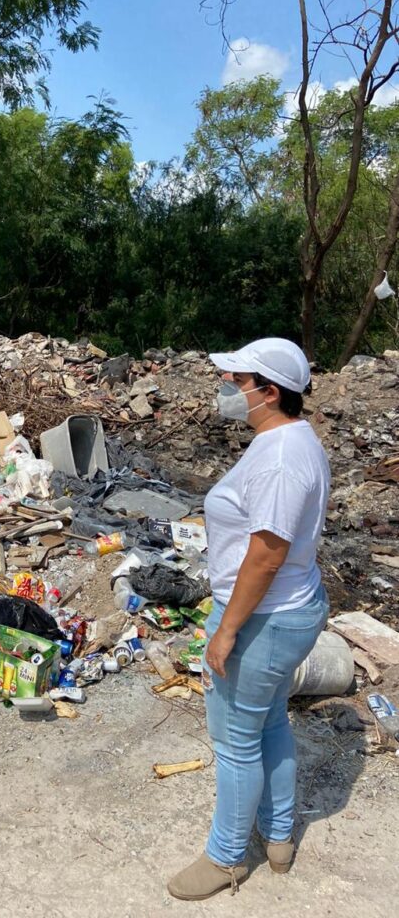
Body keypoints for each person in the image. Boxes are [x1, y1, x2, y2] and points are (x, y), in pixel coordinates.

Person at [167, 337, 331, 901]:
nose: (228, 389)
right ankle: (279, 837)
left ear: (270, 391)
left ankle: (226, 858)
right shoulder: (290, 439)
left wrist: (227, 629)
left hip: (264, 618)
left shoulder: (282, 458)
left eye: (238, 382)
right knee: (270, 722)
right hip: (287, 610)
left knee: (236, 741)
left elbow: (266, 555)